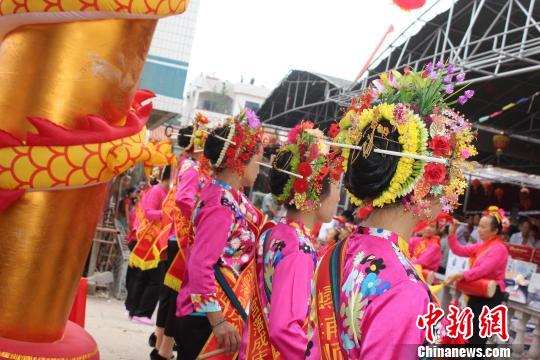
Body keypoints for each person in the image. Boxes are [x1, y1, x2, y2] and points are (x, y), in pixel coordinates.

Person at [310, 63, 478, 358]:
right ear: (426, 182)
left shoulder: (341, 250)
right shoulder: (403, 288)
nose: (452, 190)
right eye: (450, 174)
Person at [241, 122, 342, 359]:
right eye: (336, 185)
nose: (338, 195)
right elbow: (285, 329)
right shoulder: (299, 249)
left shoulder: (274, 232)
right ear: (316, 193)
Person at [174, 109, 265, 359]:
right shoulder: (220, 205)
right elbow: (200, 264)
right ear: (239, 162)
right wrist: (217, 321)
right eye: (257, 160)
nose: (259, 167)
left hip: (217, 310)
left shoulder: (231, 197)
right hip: (205, 319)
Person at [151, 114, 211, 360]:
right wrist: (199, 215)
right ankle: (163, 351)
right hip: (183, 239)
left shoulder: (187, 165)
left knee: (171, 296)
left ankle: (161, 346)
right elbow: (184, 200)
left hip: (178, 237)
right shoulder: (192, 169)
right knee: (175, 297)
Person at [445, 210, 509, 348]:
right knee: (469, 335)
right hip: (477, 292)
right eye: (479, 226)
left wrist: (462, 275)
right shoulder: (481, 246)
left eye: (483, 227)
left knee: (478, 338)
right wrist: (452, 234)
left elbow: (484, 269)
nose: (479, 230)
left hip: (490, 295)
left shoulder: (500, 249)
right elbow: (459, 250)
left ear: (495, 230)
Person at [128, 166, 172, 325]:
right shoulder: (157, 191)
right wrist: (168, 213)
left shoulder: (167, 192)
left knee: (145, 276)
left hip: (158, 239)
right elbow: (148, 212)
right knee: (154, 279)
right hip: (151, 239)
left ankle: (135, 311)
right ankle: (141, 312)